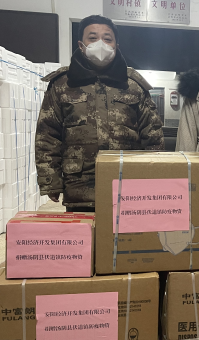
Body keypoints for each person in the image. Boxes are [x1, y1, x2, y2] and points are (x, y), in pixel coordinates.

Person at [35, 15, 164, 212]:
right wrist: (50, 181)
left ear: (116, 46)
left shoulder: (133, 85)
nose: (100, 44)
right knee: (84, 233)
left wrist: (154, 179)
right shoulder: (63, 84)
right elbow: (47, 135)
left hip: (127, 189)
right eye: (93, 38)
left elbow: (153, 135)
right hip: (79, 189)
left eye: (107, 39)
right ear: (81, 45)